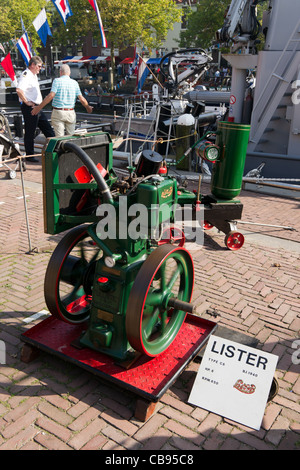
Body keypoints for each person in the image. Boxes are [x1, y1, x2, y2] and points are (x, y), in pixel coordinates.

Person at [32, 64, 93, 137]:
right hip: (70, 112)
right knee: (71, 137)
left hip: (59, 112)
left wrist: (38, 108)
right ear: (69, 73)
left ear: (60, 72)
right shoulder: (75, 83)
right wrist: (88, 107)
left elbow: (51, 96)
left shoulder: (57, 81)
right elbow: (81, 99)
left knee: (60, 138)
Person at [16, 56, 55, 162]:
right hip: (30, 107)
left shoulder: (33, 75)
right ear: (32, 65)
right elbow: (19, 90)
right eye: (39, 66)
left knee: (48, 130)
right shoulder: (26, 75)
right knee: (30, 131)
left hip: (37, 107)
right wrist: (26, 102)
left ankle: (54, 150)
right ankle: (30, 155)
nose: (40, 68)